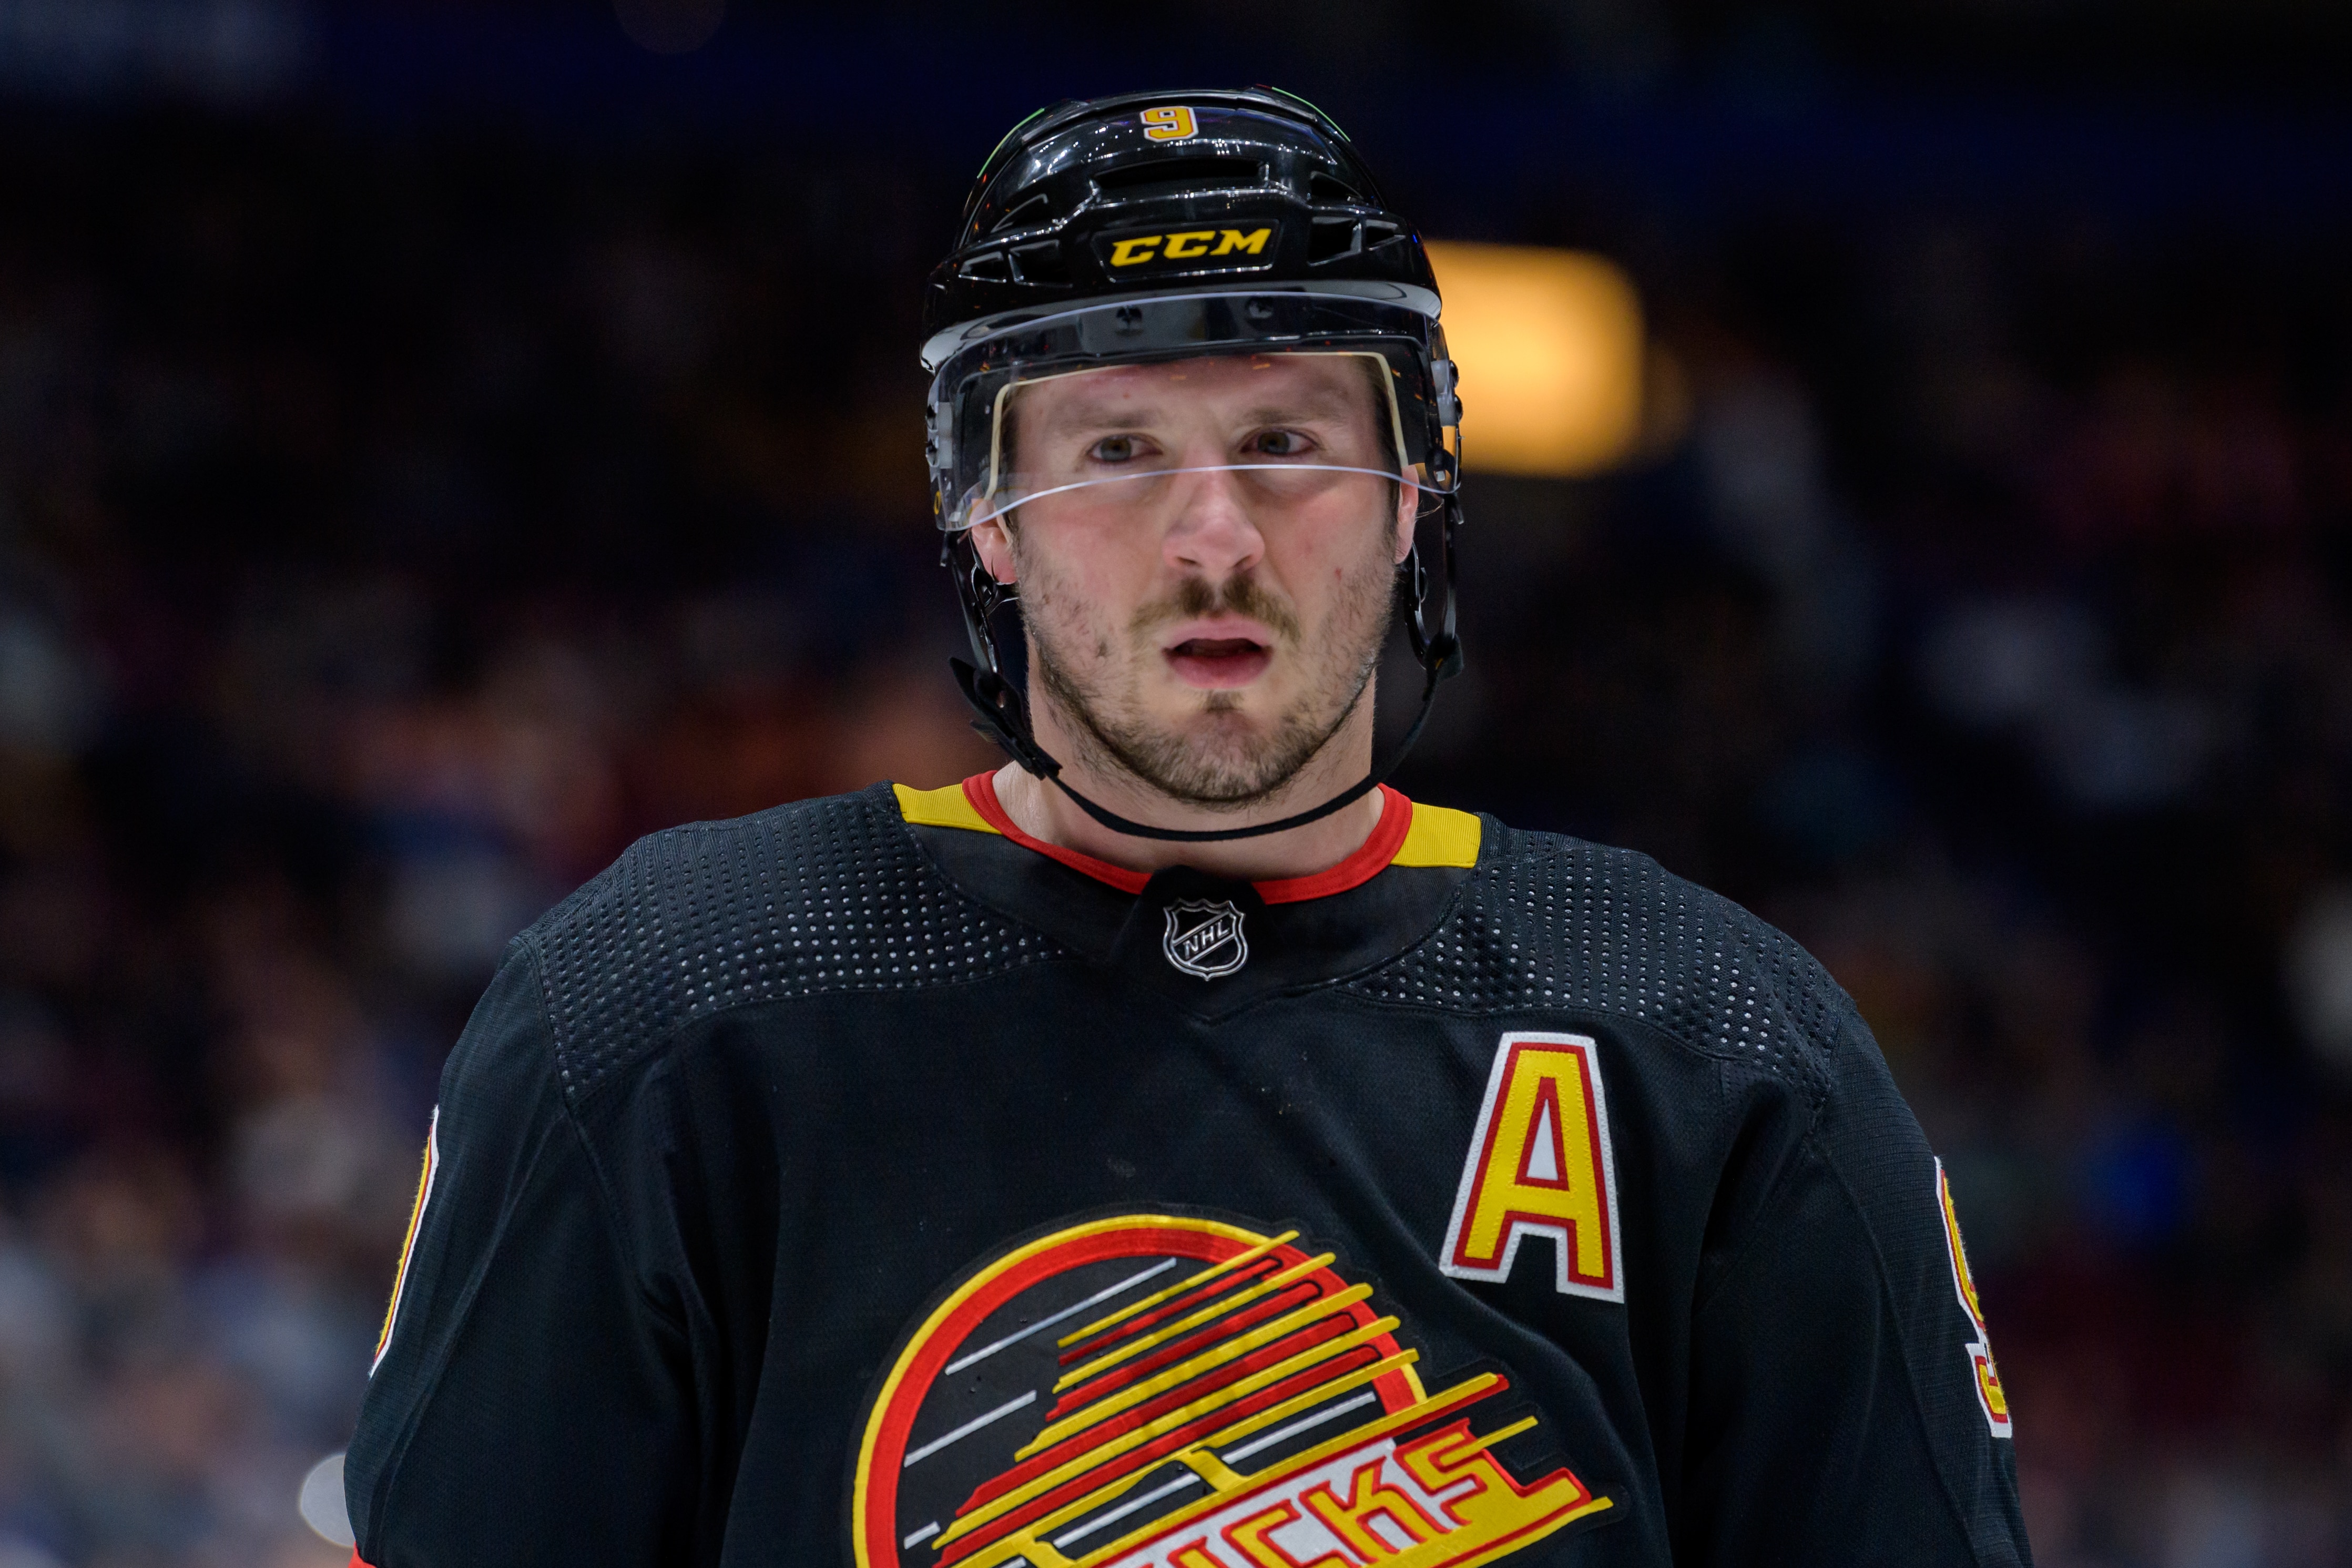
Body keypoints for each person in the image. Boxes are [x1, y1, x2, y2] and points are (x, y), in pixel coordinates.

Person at [345, 88, 2032, 1567]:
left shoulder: (1718, 1041)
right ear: (988, 520)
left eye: (1286, 440)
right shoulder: (655, 1007)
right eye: (1119, 450)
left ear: (1411, 494)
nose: (1210, 536)